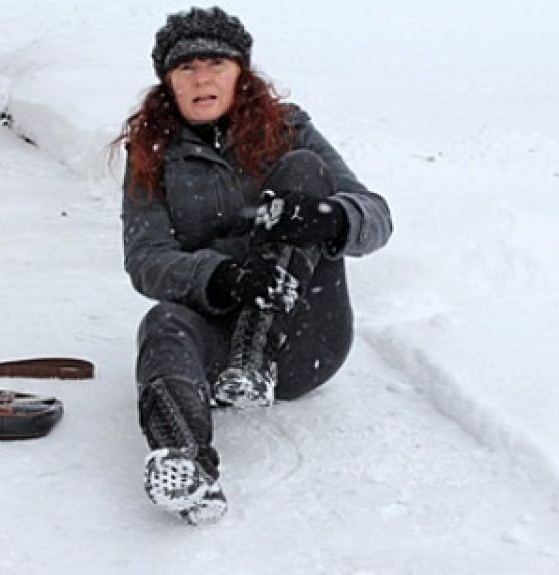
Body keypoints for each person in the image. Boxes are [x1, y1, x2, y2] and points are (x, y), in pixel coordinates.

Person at [114, 6, 392, 525]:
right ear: (167, 82)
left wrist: (330, 219)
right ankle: (186, 464)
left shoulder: (288, 128)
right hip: (218, 339)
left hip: (304, 340)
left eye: (215, 63)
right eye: (185, 67)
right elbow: (145, 259)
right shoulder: (152, 152)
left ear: (241, 72)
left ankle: (257, 353)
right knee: (163, 324)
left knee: (304, 172)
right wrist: (223, 278)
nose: (201, 78)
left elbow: (377, 215)